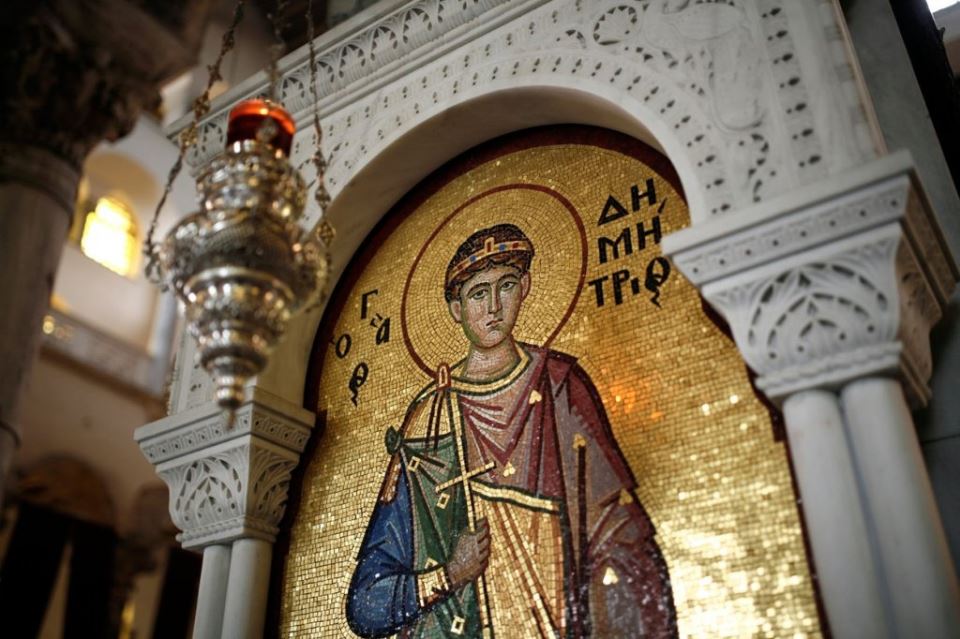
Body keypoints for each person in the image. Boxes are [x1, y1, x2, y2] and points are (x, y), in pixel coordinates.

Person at [346, 224, 676, 638]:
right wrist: (448, 575)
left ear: (526, 287)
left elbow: (619, 536)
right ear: (456, 309)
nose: (494, 307)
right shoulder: (431, 419)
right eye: (478, 293)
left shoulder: (560, 387)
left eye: (506, 286)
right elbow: (365, 604)